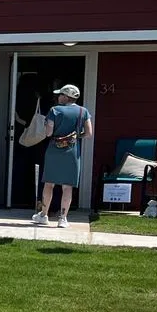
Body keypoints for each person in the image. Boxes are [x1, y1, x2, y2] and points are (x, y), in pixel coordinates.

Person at [34, 84, 92, 229]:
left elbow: (48, 133)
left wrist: (47, 124)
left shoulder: (55, 110)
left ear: (66, 97)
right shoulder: (83, 111)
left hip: (54, 150)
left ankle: (43, 215)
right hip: (72, 151)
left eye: (60, 94)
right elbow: (89, 133)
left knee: (49, 184)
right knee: (67, 187)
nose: (58, 96)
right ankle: (63, 219)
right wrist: (76, 136)